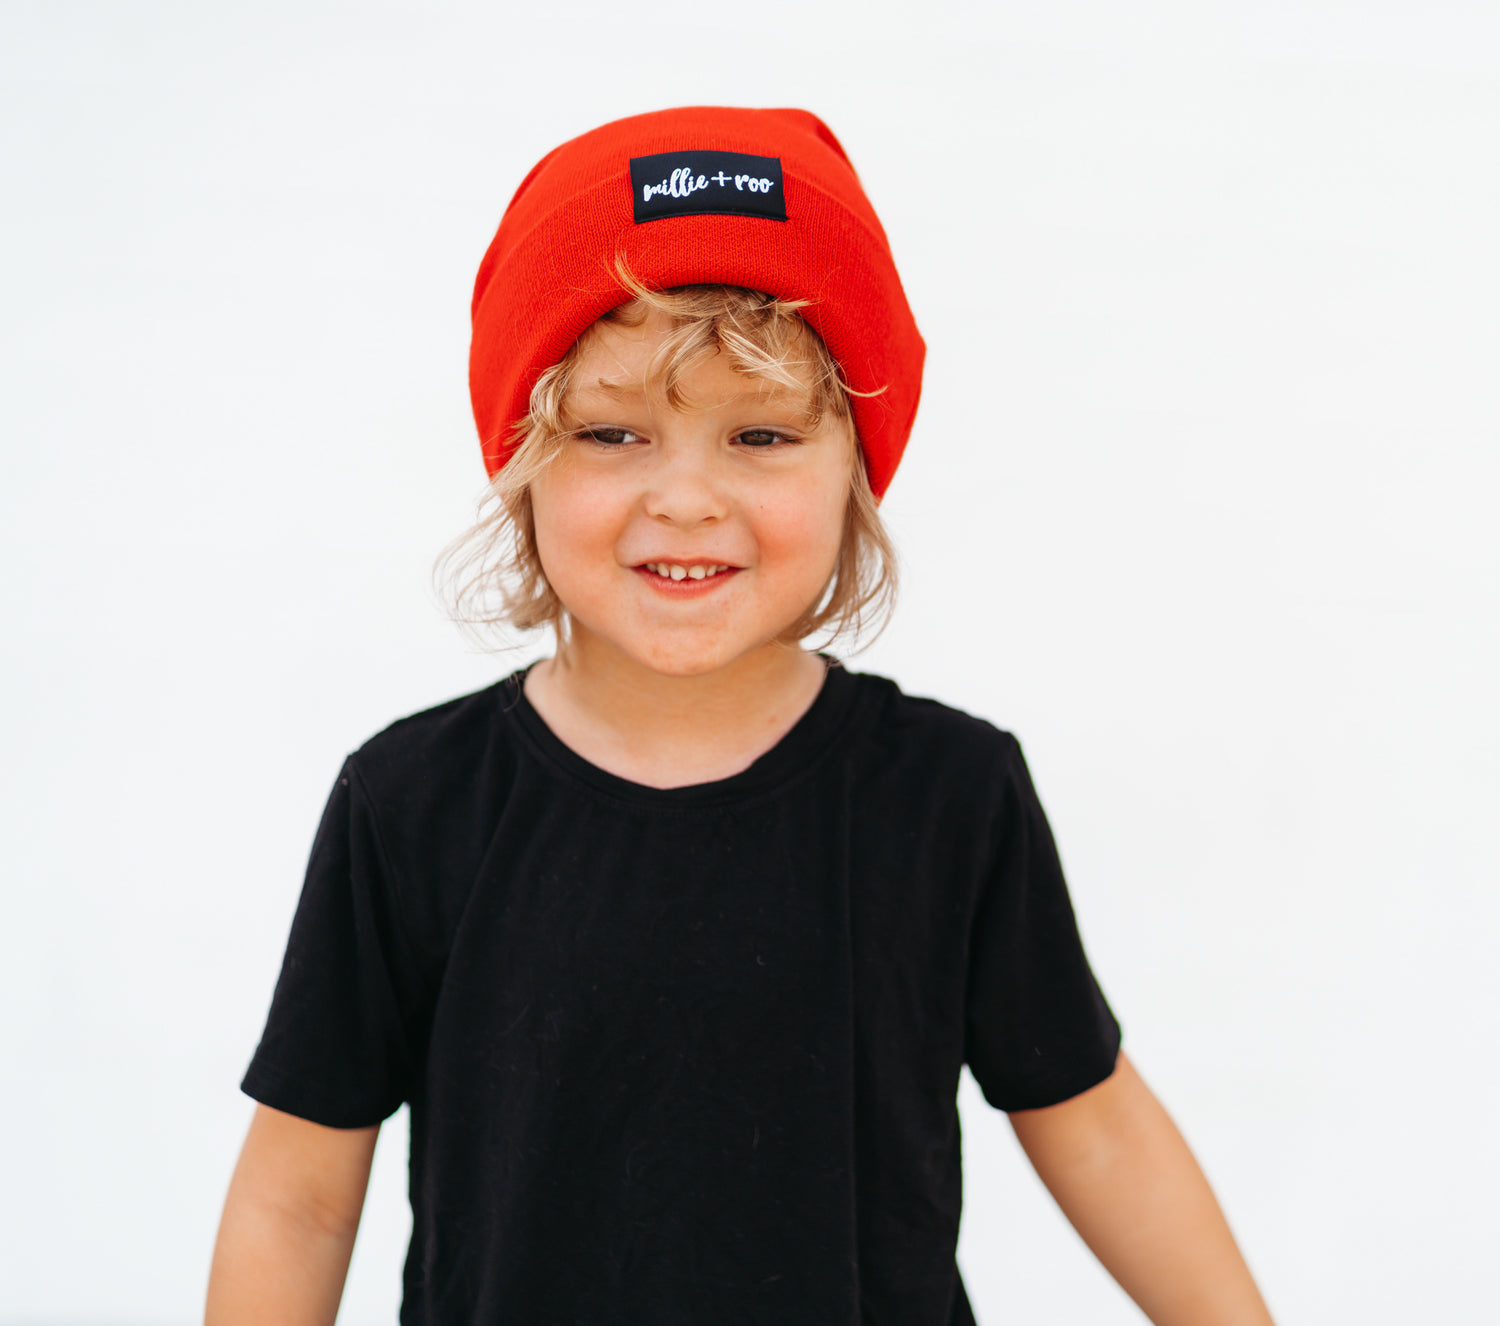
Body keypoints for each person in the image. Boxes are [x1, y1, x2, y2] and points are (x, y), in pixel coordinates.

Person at [205, 106, 1275, 1325]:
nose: (688, 498)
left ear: (854, 469)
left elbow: (1094, 1124)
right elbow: (297, 1195)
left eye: (760, 434)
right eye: (613, 433)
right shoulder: (408, 803)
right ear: (521, 462)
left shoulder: (950, 794)